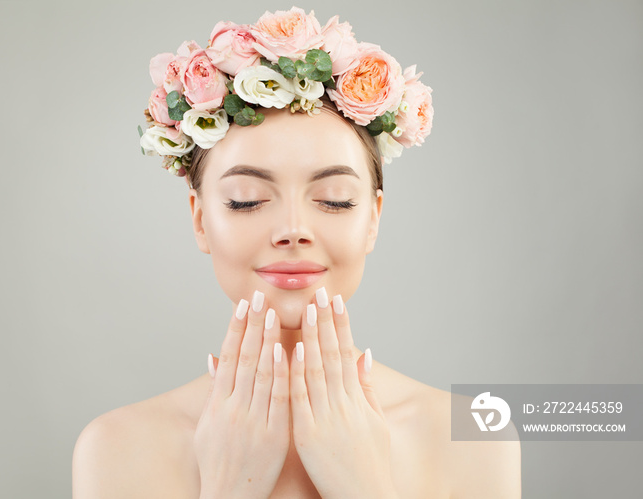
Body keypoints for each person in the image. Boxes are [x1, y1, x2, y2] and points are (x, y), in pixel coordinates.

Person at [72, 7, 521, 498]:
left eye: (334, 200)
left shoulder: (476, 439)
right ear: (200, 218)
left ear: (372, 217)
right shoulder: (116, 448)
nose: (292, 231)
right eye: (246, 199)